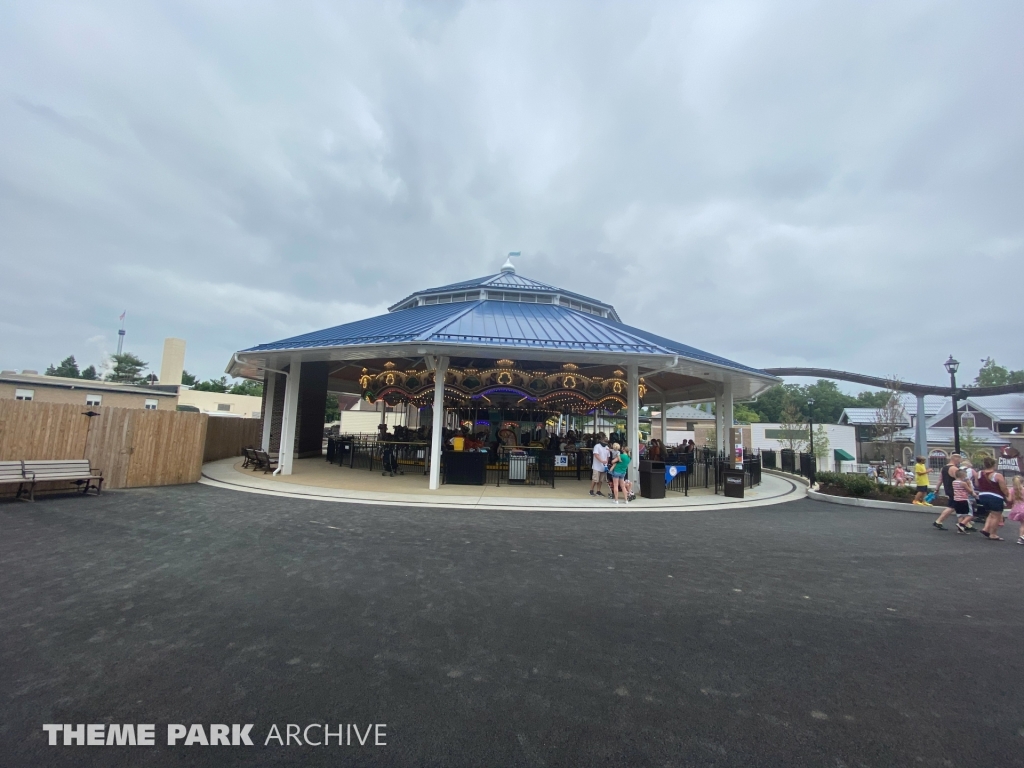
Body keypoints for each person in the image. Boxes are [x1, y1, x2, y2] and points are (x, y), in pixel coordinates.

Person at [933, 454, 972, 531]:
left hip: (948, 489)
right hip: (955, 490)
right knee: (952, 506)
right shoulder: (954, 469)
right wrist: (969, 487)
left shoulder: (944, 468)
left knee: (957, 506)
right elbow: (962, 478)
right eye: (959, 460)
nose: (960, 462)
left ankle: (966, 524)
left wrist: (937, 489)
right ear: (956, 459)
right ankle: (938, 521)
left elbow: (940, 479)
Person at [976, 456, 1010, 540]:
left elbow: (977, 484)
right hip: (995, 496)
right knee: (996, 515)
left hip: (982, 495)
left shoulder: (979, 473)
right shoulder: (997, 475)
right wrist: (1007, 495)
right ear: (994, 465)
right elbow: (1004, 488)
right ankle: (993, 534)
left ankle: (986, 528)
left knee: (991, 513)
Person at [1007, 475, 1024, 545]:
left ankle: (1021, 538)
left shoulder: (1011, 490)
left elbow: (1009, 500)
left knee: (1022, 524)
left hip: (1016, 508)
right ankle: (1022, 537)